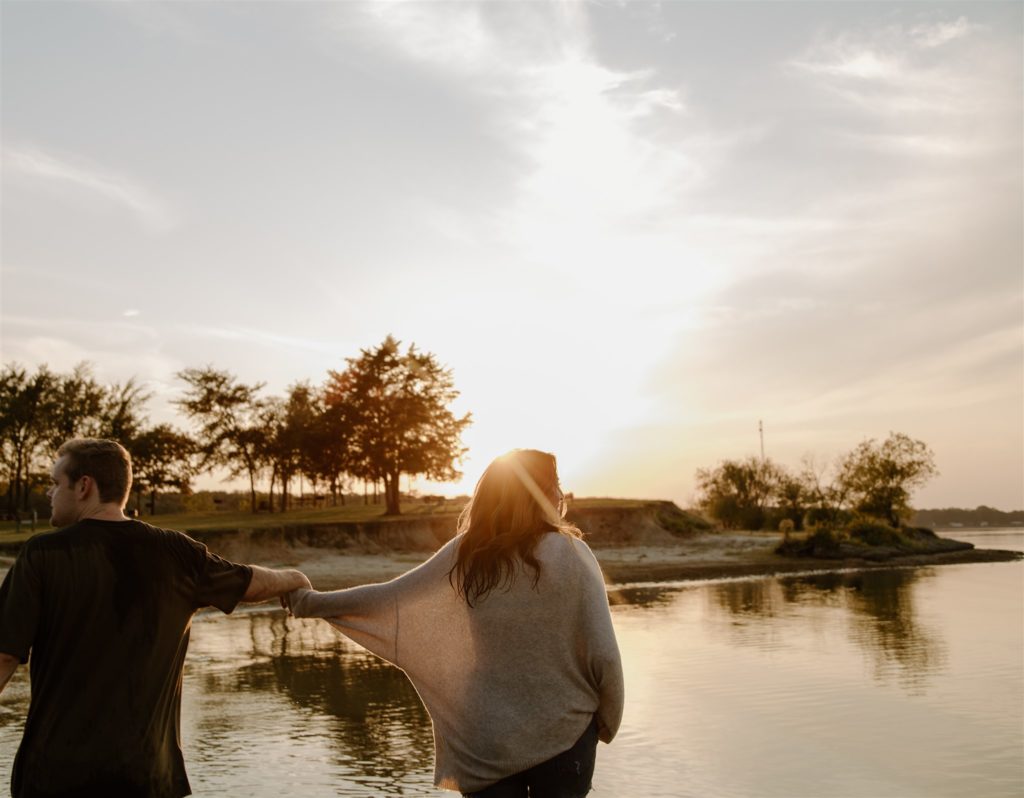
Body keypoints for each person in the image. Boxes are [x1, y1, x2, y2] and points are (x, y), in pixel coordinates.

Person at [286, 449, 624, 797]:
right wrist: (608, 722)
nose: (560, 494)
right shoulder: (573, 553)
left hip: (486, 740)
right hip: (565, 736)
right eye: (555, 484)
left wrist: (310, 602)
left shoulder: (469, 553)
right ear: (539, 493)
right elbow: (605, 656)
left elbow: (391, 599)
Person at [0, 438, 311, 798]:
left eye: (56, 483)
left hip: (56, 779)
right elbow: (250, 583)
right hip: (149, 778)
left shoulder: (41, 555)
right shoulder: (177, 553)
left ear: (84, 486)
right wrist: (294, 578)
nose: (50, 494)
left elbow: (4, 656)